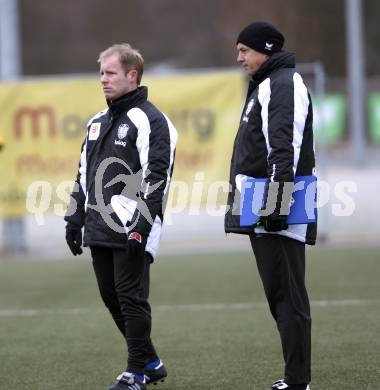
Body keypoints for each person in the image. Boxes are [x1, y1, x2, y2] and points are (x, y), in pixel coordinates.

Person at [64, 43, 178, 390]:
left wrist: (141, 227)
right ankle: (151, 362)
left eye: (110, 72)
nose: (103, 80)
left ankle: (136, 373)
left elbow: (158, 178)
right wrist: (74, 216)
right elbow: (83, 172)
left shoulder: (153, 120)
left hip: (133, 225)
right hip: (99, 225)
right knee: (111, 297)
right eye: (101, 73)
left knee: (130, 298)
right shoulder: (96, 122)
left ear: (132, 75)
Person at [224, 22, 316, 390]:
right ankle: (294, 379)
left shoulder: (282, 83)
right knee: (280, 297)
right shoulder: (267, 85)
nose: (239, 57)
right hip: (264, 204)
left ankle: (298, 383)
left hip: (277, 205)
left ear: (266, 49)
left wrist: (278, 204)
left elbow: (285, 147)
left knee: (289, 297)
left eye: (245, 50)